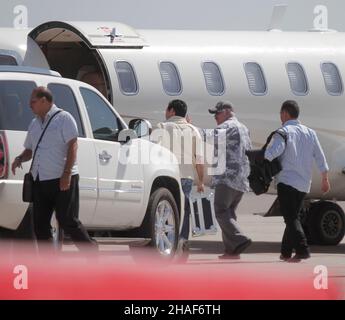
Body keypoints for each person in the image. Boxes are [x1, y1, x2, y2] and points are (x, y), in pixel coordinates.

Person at [11, 87, 97, 251]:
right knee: (40, 225)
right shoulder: (34, 123)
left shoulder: (64, 118)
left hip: (61, 179)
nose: (29, 105)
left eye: (33, 101)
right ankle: (49, 265)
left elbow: (73, 146)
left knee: (67, 220)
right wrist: (19, 158)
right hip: (40, 179)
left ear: (44, 100)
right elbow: (30, 149)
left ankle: (91, 251)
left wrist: (66, 174)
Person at [264, 100, 330, 262]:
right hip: (303, 184)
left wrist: (262, 156)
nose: (280, 117)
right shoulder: (310, 133)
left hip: (287, 182)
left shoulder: (284, 132)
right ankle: (285, 252)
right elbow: (320, 157)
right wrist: (325, 178)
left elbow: (271, 153)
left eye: (281, 113)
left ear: (285, 114)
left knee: (291, 218)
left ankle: (302, 250)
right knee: (293, 216)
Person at [157, 99, 205, 251]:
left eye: (167, 110)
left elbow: (153, 152)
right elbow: (199, 160)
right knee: (184, 212)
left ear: (172, 111)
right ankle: (182, 244)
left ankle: (164, 243)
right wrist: (201, 181)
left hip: (166, 176)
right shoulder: (193, 130)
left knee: (164, 210)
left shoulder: (162, 127)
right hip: (186, 177)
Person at [207, 101, 252, 259]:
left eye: (217, 114)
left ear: (226, 112)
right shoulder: (244, 128)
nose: (215, 118)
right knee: (229, 213)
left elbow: (209, 136)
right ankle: (232, 251)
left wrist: (189, 128)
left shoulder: (228, 126)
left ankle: (240, 238)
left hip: (227, 177)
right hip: (241, 179)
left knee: (220, 210)